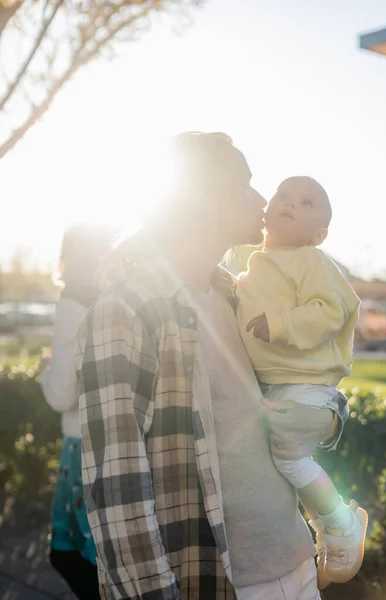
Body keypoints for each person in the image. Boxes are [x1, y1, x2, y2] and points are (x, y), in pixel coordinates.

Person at [76, 133, 348, 600]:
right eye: (246, 185)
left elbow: (307, 378)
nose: (264, 201)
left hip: (299, 565)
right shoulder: (125, 311)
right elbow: (118, 494)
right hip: (222, 585)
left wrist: (329, 417)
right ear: (202, 199)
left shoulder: (236, 296)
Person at [236, 176, 368, 590]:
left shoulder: (312, 261)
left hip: (307, 379)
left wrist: (282, 322)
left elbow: (333, 310)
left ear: (319, 234)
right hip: (275, 382)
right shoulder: (253, 264)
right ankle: (325, 526)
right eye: (284, 196)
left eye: (306, 202)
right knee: (282, 458)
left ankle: (341, 523)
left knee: (290, 458)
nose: (291, 204)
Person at [40, 224, 116, 600]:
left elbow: (62, 393)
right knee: (107, 559)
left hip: (81, 446)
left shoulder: (74, 301)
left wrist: (44, 370)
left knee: (70, 555)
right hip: (117, 442)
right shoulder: (116, 295)